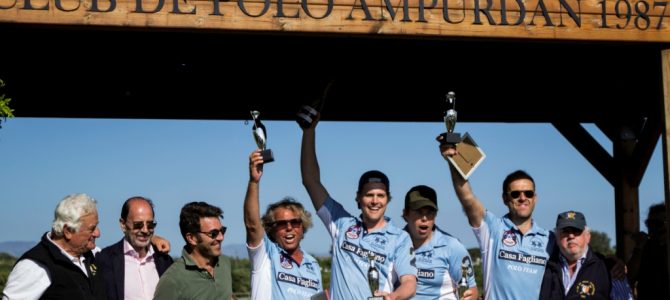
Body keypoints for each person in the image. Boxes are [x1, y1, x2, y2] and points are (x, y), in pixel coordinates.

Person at [300, 114, 417, 300]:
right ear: (358, 198)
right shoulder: (341, 223)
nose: (374, 201)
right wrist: (309, 131)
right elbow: (310, 181)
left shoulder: (400, 238)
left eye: (380, 195)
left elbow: (410, 282)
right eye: (369, 195)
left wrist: (393, 297)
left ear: (388, 199)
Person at [440, 143, 553, 299]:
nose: (522, 198)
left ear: (535, 198)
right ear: (505, 199)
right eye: (515, 194)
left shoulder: (550, 239)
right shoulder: (493, 229)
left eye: (528, 193)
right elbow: (468, 199)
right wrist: (452, 161)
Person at [244, 149, 324, 299]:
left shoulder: (312, 263)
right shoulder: (265, 254)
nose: (289, 228)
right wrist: (254, 182)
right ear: (272, 229)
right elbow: (252, 225)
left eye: (295, 222)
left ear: (303, 226)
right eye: (281, 224)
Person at [2, 193, 106, 300]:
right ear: (68, 231)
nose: (98, 233)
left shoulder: (94, 255)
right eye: (92, 229)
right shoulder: (35, 267)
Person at [402, 185, 478, 300]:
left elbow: (472, 291)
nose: (424, 218)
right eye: (418, 212)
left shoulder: (453, 247)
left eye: (430, 212)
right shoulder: (395, 243)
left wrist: (469, 296)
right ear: (405, 214)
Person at [95, 196, 174, 300]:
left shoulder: (164, 261)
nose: (145, 230)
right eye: (138, 225)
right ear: (123, 224)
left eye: (150, 225)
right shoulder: (105, 260)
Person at [153, 201, 235, 300]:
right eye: (213, 233)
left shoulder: (224, 263)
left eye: (222, 231)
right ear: (191, 238)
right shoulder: (172, 280)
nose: (221, 237)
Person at [540, 210, 613, 299]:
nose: (571, 236)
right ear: (557, 237)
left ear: (588, 236)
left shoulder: (609, 269)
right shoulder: (543, 268)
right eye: (565, 231)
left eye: (577, 230)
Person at [627, 202, 668, 299]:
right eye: (650, 223)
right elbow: (628, 278)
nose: (653, 228)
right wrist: (639, 247)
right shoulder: (644, 249)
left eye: (658, 224)